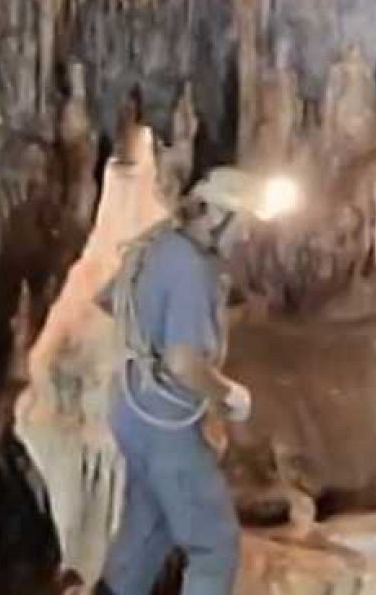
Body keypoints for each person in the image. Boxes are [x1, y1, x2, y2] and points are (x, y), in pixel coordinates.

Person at [97, 168, 299, 595]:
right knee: (214, 545)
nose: (245, 238)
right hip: (166, 422)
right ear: (214, 215)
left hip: (132, 410)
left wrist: (146, 337)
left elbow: (108, 299)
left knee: (147, 529)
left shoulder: (157, 245)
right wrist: (228, 395)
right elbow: (183, 362)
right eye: (242, 225)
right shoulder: (193, 267)